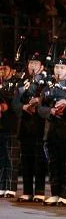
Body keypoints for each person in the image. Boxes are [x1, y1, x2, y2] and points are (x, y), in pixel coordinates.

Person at [39, 47, 66, 207]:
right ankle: (55, 193)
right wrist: (51, 110)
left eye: (62, 67)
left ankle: (65, 195)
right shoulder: (48, 87)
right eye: (57, 67)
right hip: (51, 132)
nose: (59, 70)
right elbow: (40, 108)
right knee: (53, 165)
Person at [13, 52, 48, 203]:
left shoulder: (47, 83)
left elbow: (49, 101)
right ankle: (27, 191)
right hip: (25, 126)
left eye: (36, 63)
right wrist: (24, 106)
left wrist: (39, 101)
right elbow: (15, 103)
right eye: (30, 63)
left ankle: (39, 191)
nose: (32, 66)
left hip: (40, 126)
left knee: (39, 160)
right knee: (26, 160)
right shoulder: (22, 82)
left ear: (42, 67)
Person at [0, 58, 18, 199]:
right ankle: (1, 185)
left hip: (12, 124)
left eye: (5, 69)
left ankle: (10, 186)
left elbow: (15, 100)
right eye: (0, 69)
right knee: (1, 157)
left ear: (12, 70)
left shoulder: (16, 84)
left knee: (11, 156)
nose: (2, 72)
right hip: (1, 125)